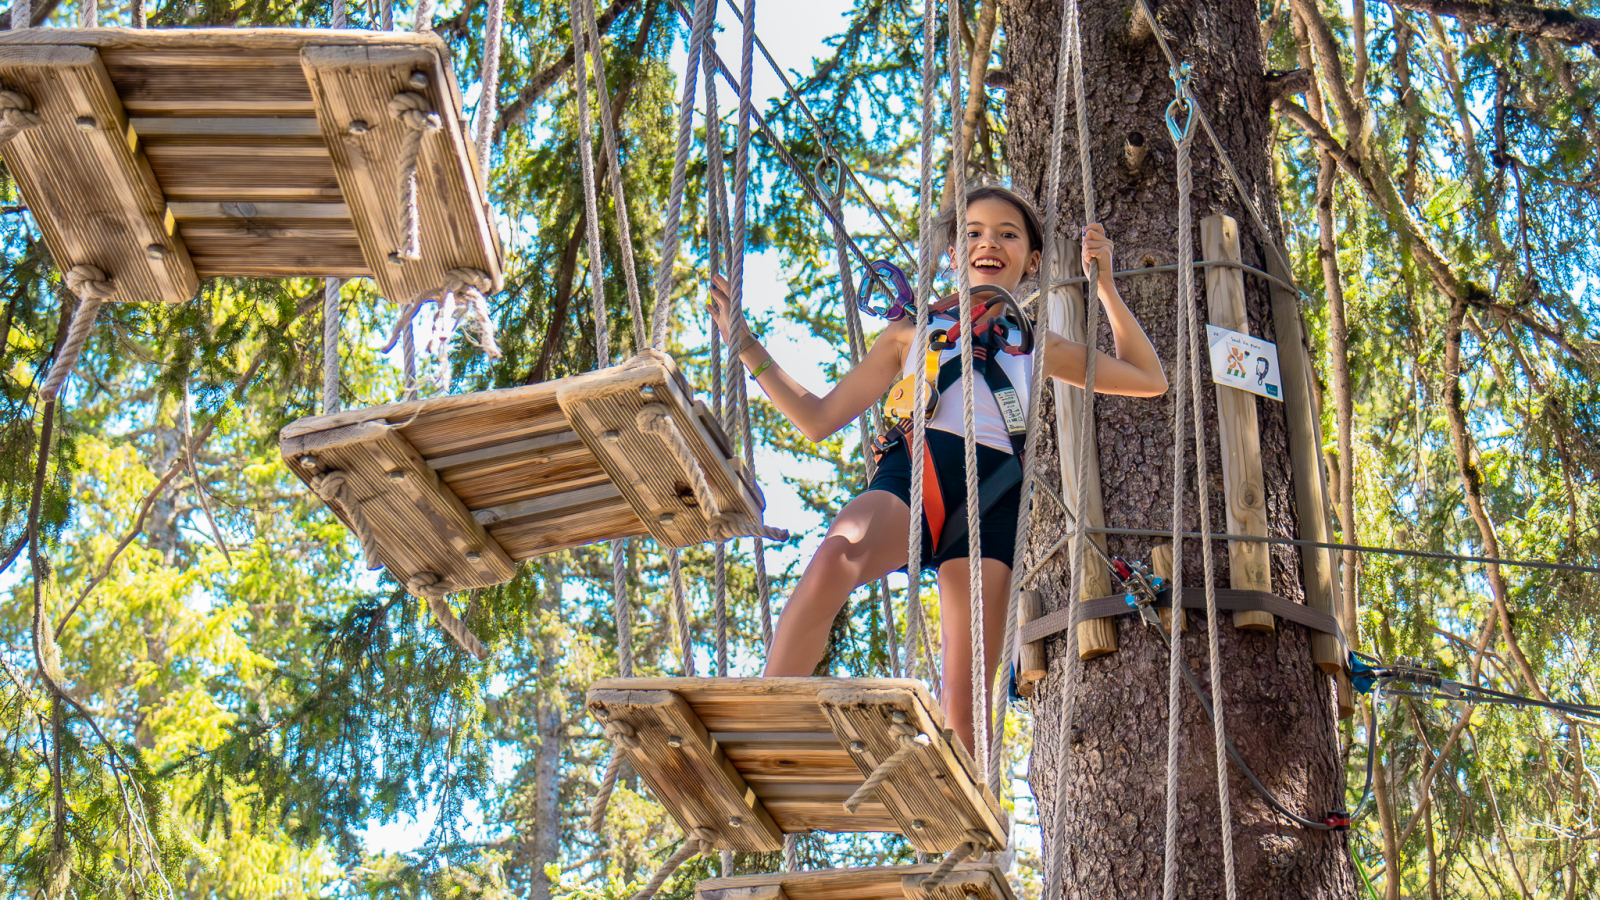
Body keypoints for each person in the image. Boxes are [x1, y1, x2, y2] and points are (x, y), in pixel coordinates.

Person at [706, 185, 1168, 754]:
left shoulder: (1036, 344)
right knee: (835, 557)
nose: (989, 243)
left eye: (1007, 233)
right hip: (914, 476)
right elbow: (818, 416)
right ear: (953, 252)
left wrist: (1106, 289)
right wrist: (747, 345)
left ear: (1035, 260)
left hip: (993, 499)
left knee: (967, 691)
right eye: (973, 233)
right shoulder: (909, 332)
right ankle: (765, 726)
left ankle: (968, 832)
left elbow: (1148, 378)